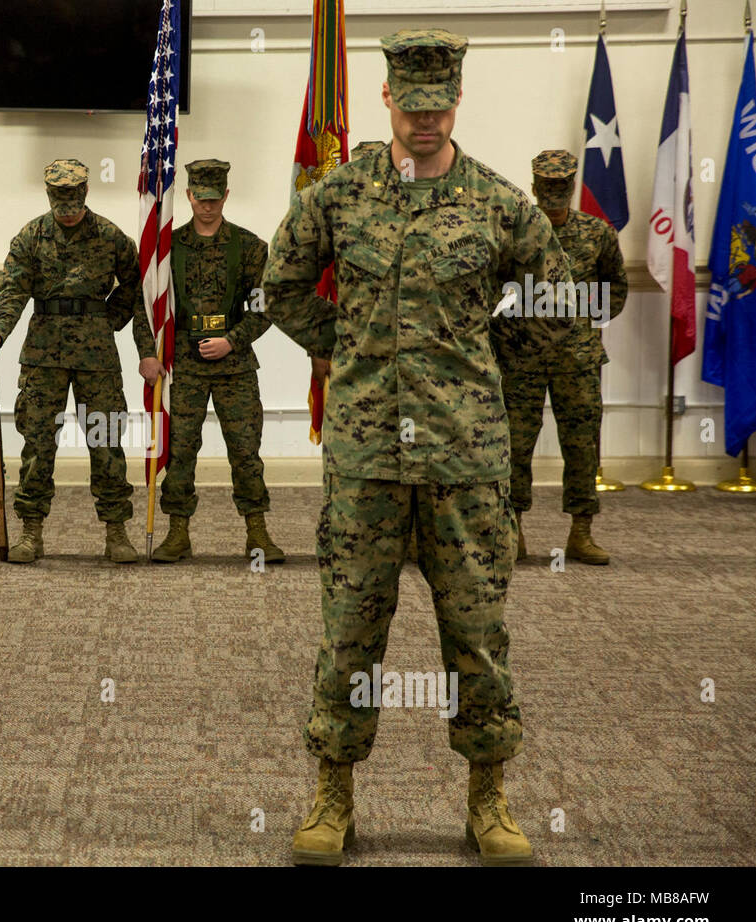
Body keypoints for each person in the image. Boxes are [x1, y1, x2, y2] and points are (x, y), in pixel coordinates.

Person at [261, 29, 574, 866]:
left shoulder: (501, 204)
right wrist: (347, 342)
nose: (426, 120)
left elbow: (553, 298)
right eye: (413, 104)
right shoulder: (340, 196)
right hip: (364, 454)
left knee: (476, 630)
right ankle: (332, 796)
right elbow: (279, 283)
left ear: (457, 102)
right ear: (387, 99)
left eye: (440, 106)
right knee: (350, 631)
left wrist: (483, 370)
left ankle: (490, 799)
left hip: (465, 459)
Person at [0, 159, 144, 564]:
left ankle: (116, 531)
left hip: (96, 354)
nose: (68, 208)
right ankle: (30, 531)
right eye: (60, 200)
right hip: (44, 353)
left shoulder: (109, 236)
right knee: (37, 443)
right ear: (49, 196)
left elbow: (138, 281)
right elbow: (13, 290)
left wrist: (111, 318)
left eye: (74, 199)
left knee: (105, 440)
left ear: (85, 193)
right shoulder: (31, 236)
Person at [136, 159, 282, 562]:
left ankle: (258, 533)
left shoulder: (250, 248)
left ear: (226, 197)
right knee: (181, 450)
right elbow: (146, 306)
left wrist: (231, 341)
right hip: (184, 368)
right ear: (188, 196)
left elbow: (265, 306)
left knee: (245, 450)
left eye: (215, 199)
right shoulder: (169, 250)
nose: (207, 206)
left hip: (235, 367)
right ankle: (177, 533)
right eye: (201, 198)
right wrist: (148, 353)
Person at [504, 149, 627, 565]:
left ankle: (581, 532)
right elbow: (495, 290)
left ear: (571, 188)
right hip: (523, 360)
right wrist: (513, 335)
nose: (554, 195)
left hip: (578, 361)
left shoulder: (598, 233)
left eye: (561, 188)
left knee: (581, 446)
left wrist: (582, 323)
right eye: (547, 188)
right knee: (515, 445)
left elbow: (616, 286)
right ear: (535, 188)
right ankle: (513, 530)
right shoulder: (516, 232)